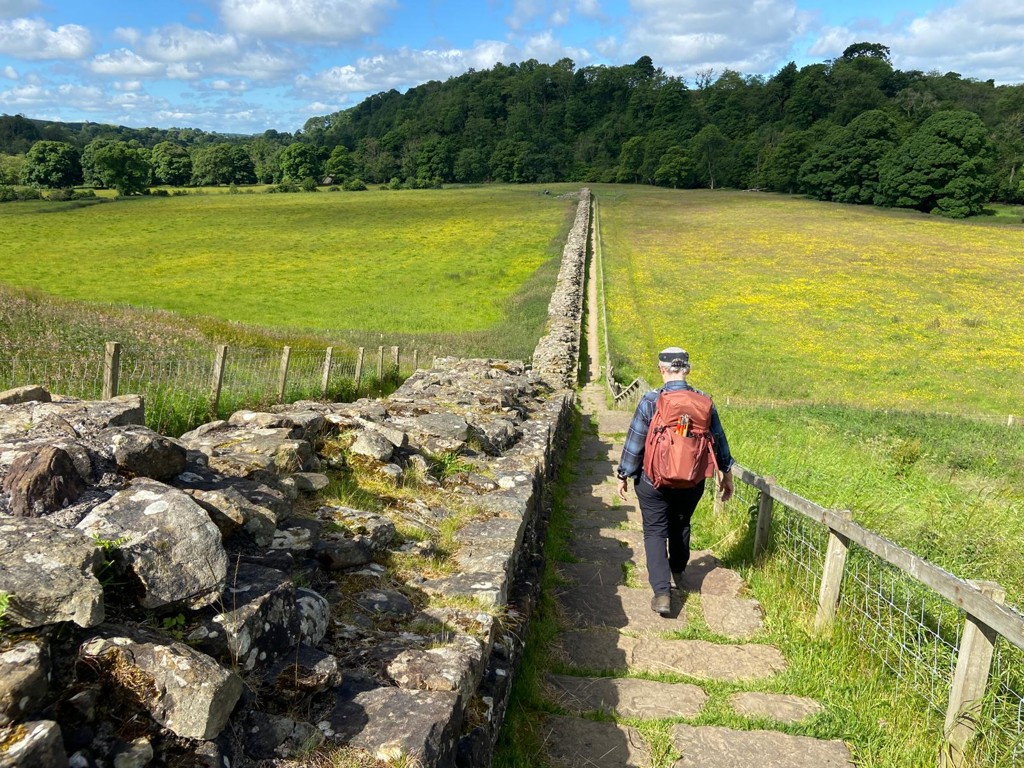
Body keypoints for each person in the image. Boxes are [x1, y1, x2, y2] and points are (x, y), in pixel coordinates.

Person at [616, 347, 735, 617]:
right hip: (692, 481)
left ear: (662, 369)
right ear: (687, 370)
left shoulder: (650, 400)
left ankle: (661, 593)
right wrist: (725, 474)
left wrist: (624, 474)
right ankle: (679, 571)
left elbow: (635, 442)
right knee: (681, 522)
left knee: (655, 531)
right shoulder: (704, 401)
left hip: (652, 482)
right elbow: (719, 442)